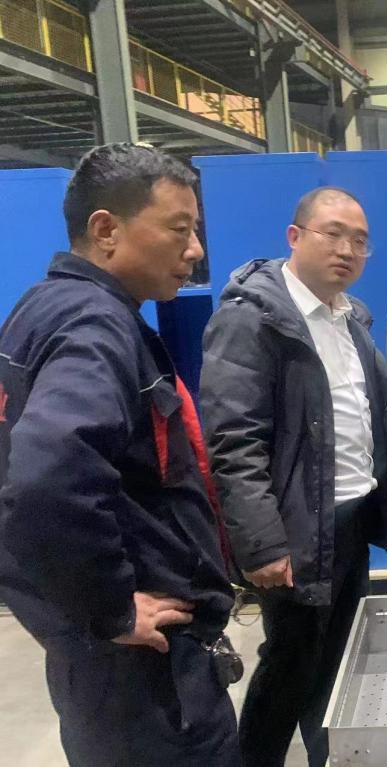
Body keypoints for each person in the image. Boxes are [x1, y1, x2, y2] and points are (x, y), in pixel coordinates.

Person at [0, 143, 240, 766]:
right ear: (106, 230)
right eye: (179, 229)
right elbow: (46, 479)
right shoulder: (94, 325)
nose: (195, 250)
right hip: (147, 674)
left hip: (96, 662)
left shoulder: (41, 308)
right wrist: (109, 609)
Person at [200, 187, 387, 767]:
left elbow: (361, 417)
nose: (347, 250)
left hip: (349, 519)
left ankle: (329, 758)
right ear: (295, 237)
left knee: (339, 660)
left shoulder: (351, 317)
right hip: (295, 529)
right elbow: (233, 441)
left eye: (359, 240)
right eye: (332, 234)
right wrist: (262, 544)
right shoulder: (251, 320)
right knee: (291, 664)